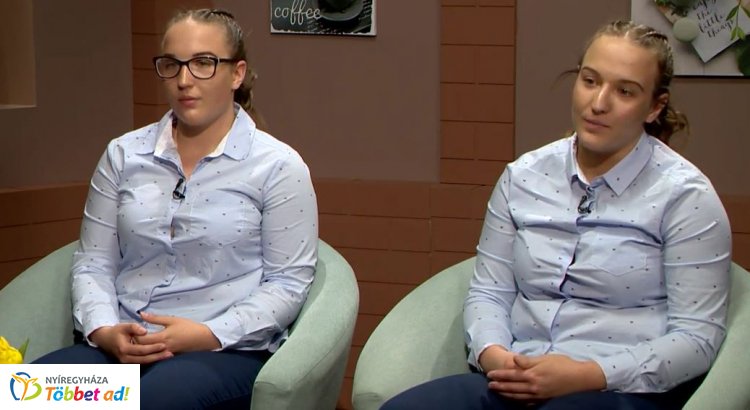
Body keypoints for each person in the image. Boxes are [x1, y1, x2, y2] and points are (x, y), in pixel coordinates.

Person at [382, 20, 731, 410]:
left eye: (624, 91)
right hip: (515, 377)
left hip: (618, 391)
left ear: (654, 107)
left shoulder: (685, 196)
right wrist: (498, 359)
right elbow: (489, 292)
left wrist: (588, 375)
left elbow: (696, 339)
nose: (598, 103)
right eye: (590, 81)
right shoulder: (524, 176)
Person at [33, 8, 318, 410]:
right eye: (172, 65)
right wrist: (104, 330)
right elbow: (94, 262)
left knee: (150, 401)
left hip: (223, 351)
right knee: (28, 394)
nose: (185, 80)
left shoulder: (277, 166)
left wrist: (206, 333)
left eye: (203, 63)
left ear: (236, 74)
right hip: (124, 346)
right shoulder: (123, 154)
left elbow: (287, 283)